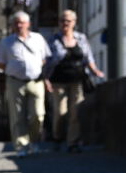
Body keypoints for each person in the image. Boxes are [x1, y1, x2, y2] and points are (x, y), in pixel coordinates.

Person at [42, 9, 104, 153]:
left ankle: (72, 142)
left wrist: (96, 71)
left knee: (75, 111)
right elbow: (47, 61)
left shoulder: (81, 38)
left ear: (74, 23)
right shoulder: (53, 40)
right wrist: (46, 79)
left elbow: (88, 58)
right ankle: (57, 137)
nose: (65, 23)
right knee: (60, 112)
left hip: (77, 80)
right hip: (58, 81)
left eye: (68, 21)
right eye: (62, 20)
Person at [0, 10, 53, 157]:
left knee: (38, 114)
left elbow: (46, 58)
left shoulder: (38, 39)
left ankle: (34, 142)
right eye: (17, 23)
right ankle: (21, 146)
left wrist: (36, 70)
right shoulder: (6, 42)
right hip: (15, 82)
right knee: (17, 116)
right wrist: (14, 70)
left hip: (36, 81)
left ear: (28, 24)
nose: (19, 25)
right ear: (13, 25)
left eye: (22, 23)